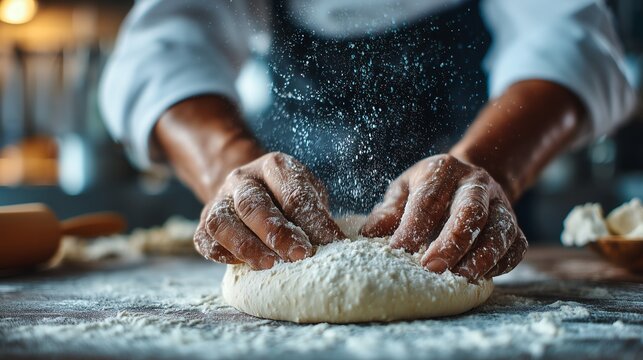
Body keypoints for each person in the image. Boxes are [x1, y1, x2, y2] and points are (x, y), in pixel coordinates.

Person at [99, 0, 635, 281]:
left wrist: (486, 167)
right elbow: (162, 48)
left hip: (470, 228)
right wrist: (231, 170)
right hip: (286, 222)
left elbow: (571, 37)